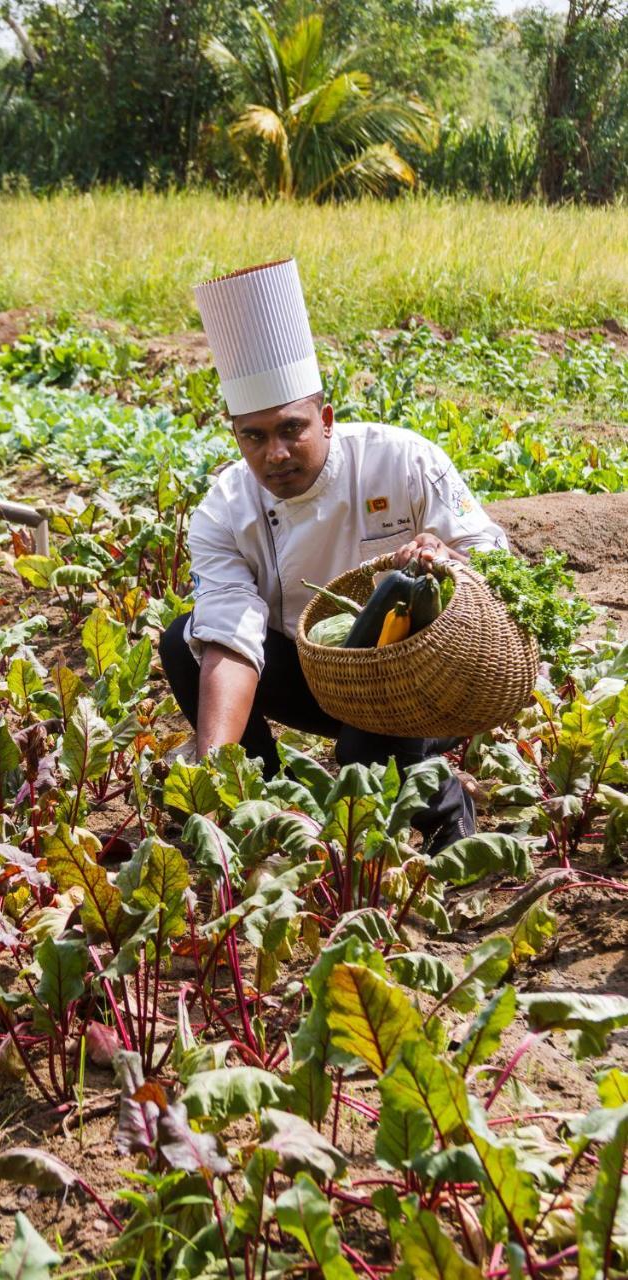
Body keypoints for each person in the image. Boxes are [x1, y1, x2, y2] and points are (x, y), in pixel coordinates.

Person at [159, 259, 508, 854]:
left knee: (360, 761)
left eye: (291, 428)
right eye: (255, 436)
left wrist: (446, 556)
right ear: (235, 435)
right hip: (320, 674)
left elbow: (493, 558)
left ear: (325, 419)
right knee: (184, 639)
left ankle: (449, 802)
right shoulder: (225, 510)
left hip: (431, 679)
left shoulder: (402, 461)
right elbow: (232, 639)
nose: (275, 453)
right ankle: (256, 802)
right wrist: (215, 773)